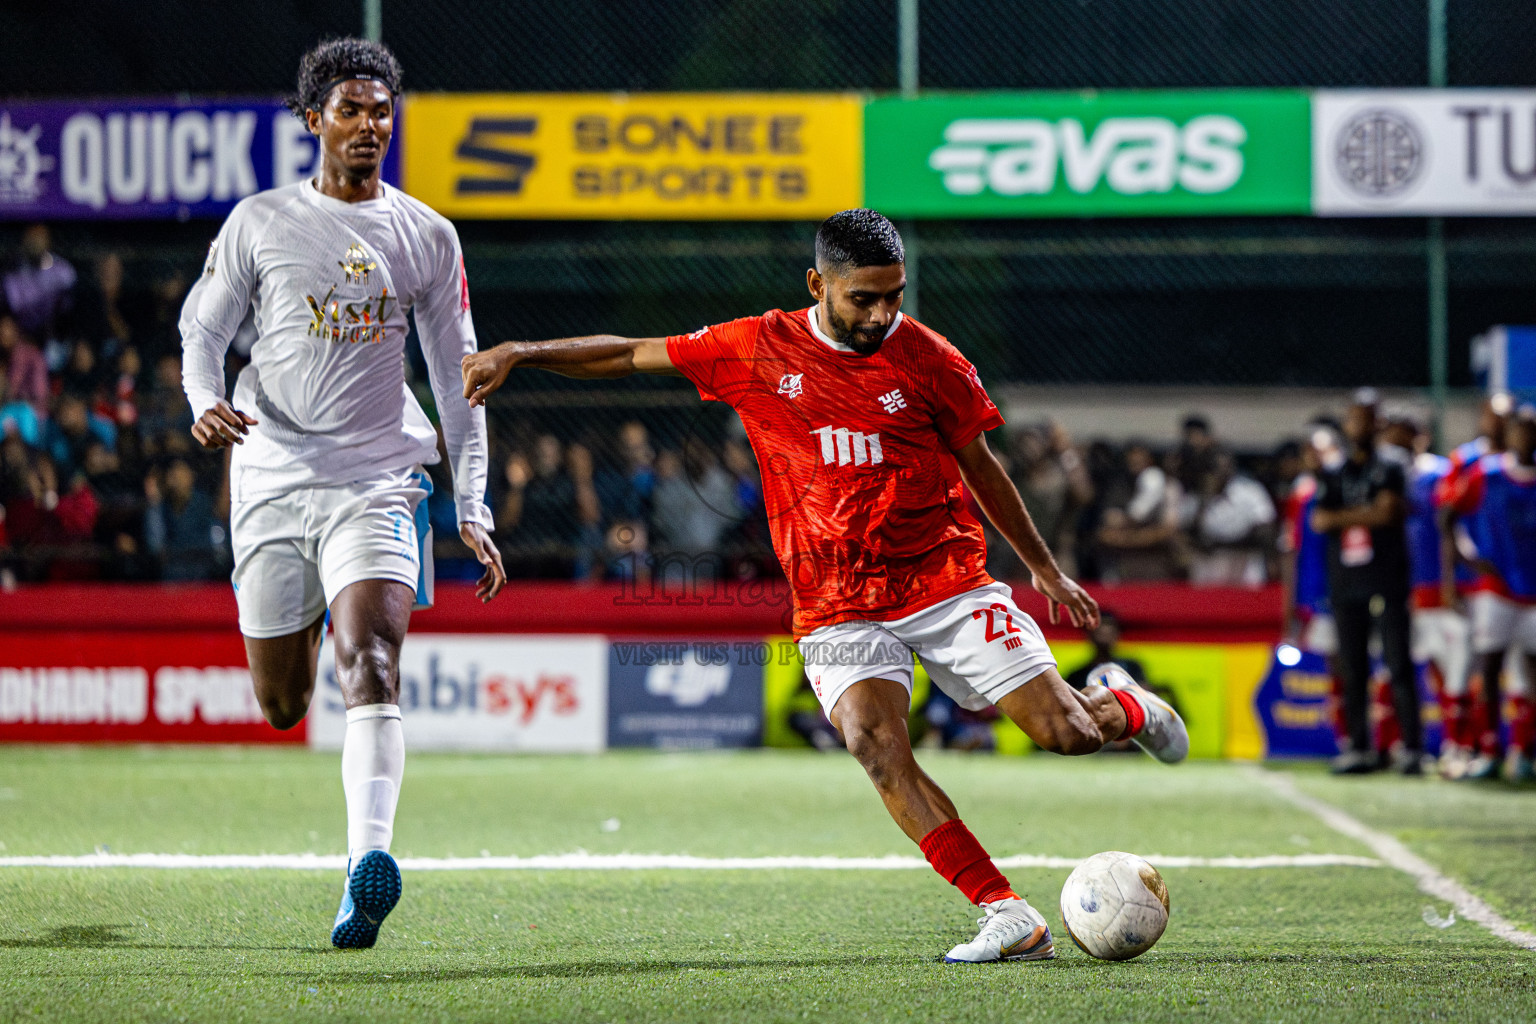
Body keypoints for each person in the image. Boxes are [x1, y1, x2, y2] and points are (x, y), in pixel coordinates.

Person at [462, 208, 1188, 964]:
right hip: (835, 601)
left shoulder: (929, 358)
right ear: (819, 284)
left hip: (943, 580)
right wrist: (521, 351)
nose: (882, 315)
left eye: (893, 296)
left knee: (1064, 734)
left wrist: (1041, 566)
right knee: (876, 746)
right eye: (863, 299)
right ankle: (1006, 912)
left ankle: (1126, 706)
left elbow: (983, 467)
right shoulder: (756, 347)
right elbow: (630, 355)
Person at [179, 37, 505, 949]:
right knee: (282, 703)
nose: (370, 125)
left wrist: (470, 504)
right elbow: (202, 331)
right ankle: (322, 603)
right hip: (274, 477)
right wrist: (204, 403)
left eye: (382, 110)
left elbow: (456, 379)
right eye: (352, 109)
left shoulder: (427, 235)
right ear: (313, 119)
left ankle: (366, 865)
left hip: (377, 478)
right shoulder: (259, 222)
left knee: (372, 658)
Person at [1311, 391, 1421, 775]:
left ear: (1378, 423)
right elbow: (1319, 521)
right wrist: (1366, 514)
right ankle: (1358, 746)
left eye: (1367, 418)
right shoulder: (1334, 470)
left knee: (1397, 663)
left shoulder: (1392, 465)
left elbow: (1390, 512)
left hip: (1387, 579)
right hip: (1346, 582)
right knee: (1353, 668)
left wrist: (1348, 515)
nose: (1360, 426)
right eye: (1355, 417)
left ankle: (1411, 749)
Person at [1438, 404, 1536, 782]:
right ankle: (1488, 749)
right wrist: (1467, 562)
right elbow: (1447, 515)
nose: (1524, 437)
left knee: (1530, 673)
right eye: (1520, 429)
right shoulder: (1486, 473)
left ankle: (1524, 752)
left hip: (1533, 591)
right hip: (1497, 588)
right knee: (1488, 667)